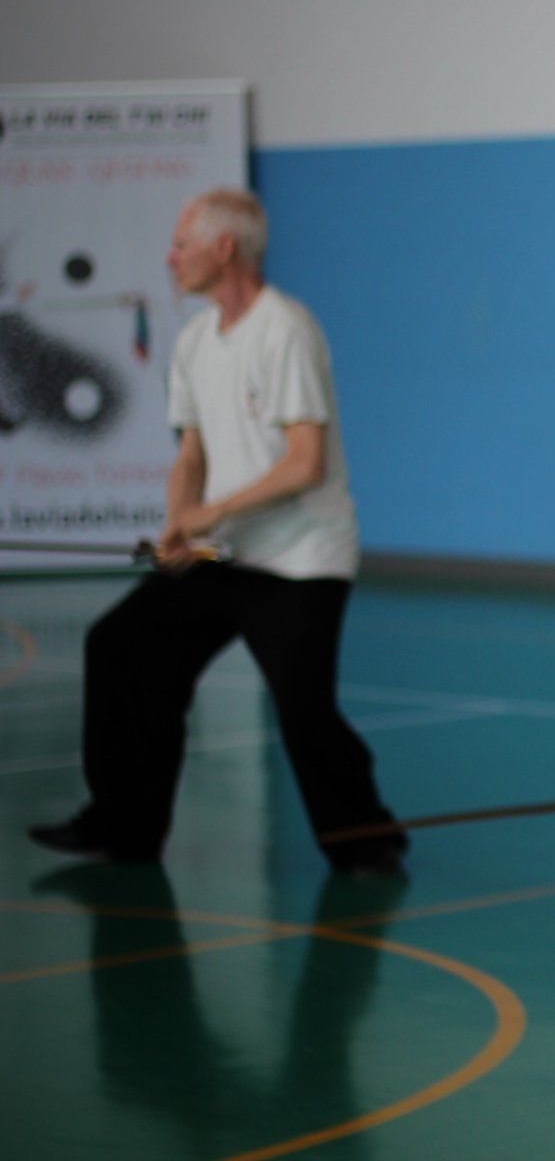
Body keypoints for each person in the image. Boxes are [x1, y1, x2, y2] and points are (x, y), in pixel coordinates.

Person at [26, 188, 406, 875]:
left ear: (224, 248)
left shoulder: (285, 328)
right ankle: (123, 825)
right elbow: (191, 455)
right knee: (121, 647)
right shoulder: (198, 337)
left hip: (300, 560)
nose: (171, 258)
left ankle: (366, 839)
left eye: (181, 244)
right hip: (225, 553)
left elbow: (305, 462)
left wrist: (213, 513)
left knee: (304, 711)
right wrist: (180, 524)